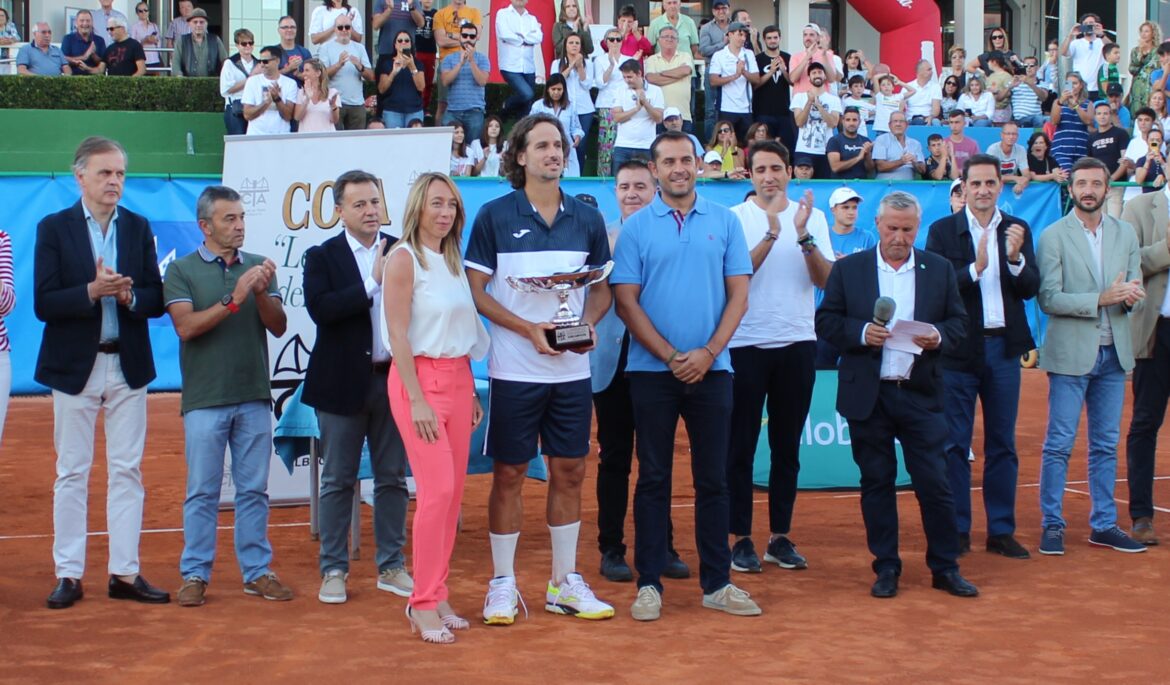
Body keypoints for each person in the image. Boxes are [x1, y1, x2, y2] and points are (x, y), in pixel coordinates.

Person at [464, 114, 614, 625]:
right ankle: (502, 583)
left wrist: (587, 325)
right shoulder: (493, 215)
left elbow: (601, 290)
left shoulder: (588, 218)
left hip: (572, 373)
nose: (555, 153)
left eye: (559, 145)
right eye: (543, 145)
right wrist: (528, 329)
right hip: (514, 371)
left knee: (570, 470)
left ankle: (563, 581)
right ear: (520, 156)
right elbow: (476, 291)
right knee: (508, 474)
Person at [610, 131, 759, 622]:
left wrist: (710, 352)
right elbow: (626, 301)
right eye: (668, 161)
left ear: (698, 164)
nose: (678, 168)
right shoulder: (635, 230)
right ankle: (649, 583)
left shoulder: (725, 221)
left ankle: (717, 583)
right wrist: (673, 356)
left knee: (713, 480)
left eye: (685, 159)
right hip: (651, 374)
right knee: (653, 478)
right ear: (654, 170)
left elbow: (739, 293)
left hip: (714, 372)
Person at [815, 190, 976, 599]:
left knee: (934, 483)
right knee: (876, 482)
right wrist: (859, 332)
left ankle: (945, 567)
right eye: (891, 229)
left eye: (907, 230)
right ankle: (886, 567)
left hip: (920, 392)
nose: (899, 237)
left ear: (917, 228)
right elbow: (826, 321)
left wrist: (938, 335)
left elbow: (959, 323)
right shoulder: (849, 270)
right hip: (868, 395)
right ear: (877, 226)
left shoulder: (938, 269)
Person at [35, 136, 168, 610]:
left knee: (126, 470)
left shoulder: (137, 226)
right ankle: (68, 574)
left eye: (120, 174)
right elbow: (44, 303)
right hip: (75, 366)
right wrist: (92, 290)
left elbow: (155, 295)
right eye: (105, 173)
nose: (114, 182)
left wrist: (129, 296)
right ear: (80, 176)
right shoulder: (54, 227)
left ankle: (124, 572)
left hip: (127, 363)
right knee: (72, 471)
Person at [164, 185, 291, 607]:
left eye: (241, 218)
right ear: (205, 226)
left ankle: (256, 572)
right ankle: (195, 574)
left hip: (253, 395)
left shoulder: (257, 267)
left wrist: (257, 292)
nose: (239, 226)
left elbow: (277, 326)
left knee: (254, 490)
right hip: (204, 398)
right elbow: (187, 327)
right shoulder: (180, 271)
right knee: (202, 491)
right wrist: (234, 299)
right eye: (229, 219)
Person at [382, 172, 487, 642]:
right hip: (418, 382)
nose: (445, 213)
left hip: (460, 379)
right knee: (437, 492)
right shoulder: (402, 258)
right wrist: (418, 397)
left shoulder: (452, 259)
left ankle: (436, 591)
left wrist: (471, 391)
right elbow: (397, 335)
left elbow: (462, 328)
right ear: (418, 207)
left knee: (452, 496)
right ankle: (421, 603)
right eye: (436, 204)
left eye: (452, 206)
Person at [300, 170, 412, 605]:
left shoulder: (404, 249)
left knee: (392, 477)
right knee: (337, 479)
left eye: (375, 202)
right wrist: (373, 282)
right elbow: (322, 310)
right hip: (341, 384)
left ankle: (392, 564)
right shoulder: (321, 256)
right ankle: (333, 568)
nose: (370, 211)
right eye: (360, 204)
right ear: (339, 211)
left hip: (394, 381)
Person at [726, 140, 834, 575]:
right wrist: (772, 233)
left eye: (776, 168)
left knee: (786, 447)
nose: (768, 176)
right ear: (749, 175)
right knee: (740, 448)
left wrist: (803, 234)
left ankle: (780, 537)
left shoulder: (815, 218)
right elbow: (735, 275)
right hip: (744, 345)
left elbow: (825, 279)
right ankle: (740, 539)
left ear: (789, 171)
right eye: (760, 169)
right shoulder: (733, 220)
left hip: (798, 342)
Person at [925, 154, 1039, 559]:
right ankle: (957, 529)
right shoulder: (943, 232)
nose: (984, 190)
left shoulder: (1017, 229)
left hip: (1004, 351)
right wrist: (976, 268)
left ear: (1000, 187)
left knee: (1002, 444)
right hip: (957, 353)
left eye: (991, 183)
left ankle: (1001, 530)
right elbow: (937, 290)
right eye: (976, 184)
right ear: (964, 186)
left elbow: (1031, 288)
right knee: (954, 445)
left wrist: (1013, 259)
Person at [1036, 156, 1147, 556]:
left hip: (1114, 354)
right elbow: (1048, 298)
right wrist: (1102, 299)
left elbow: (1133, 290)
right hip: (1070, 354)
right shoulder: (1052, 235)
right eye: (1081, 183)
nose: (1088, 190)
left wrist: (1133, 298)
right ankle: (1052, 523)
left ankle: (1104, 524)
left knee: (1105, 444)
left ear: (1106, 188)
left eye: (1096, 184)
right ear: (1071, 189)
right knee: (1059, 443)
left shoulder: (1125, 234)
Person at [592, 159, 690, 582]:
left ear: (655, 190)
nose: (631, 193)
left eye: (639, 186)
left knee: (656, 460)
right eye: (623, 187)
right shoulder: (601, 239)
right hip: (611, 364)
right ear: (614, 192)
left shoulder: (674, 235)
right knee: (614, 458)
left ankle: (661, 545)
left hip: (657, 363)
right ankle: (611, 548)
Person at [709, 21, 763, 141]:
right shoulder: (719, 55)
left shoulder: (749, 54)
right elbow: (713, 81)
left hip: (746, 109)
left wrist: (743, 72)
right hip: (726, 108)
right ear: (730, 35)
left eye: (745, 35)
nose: (743, 38)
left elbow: (756, 79)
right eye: (740, 34)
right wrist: (736, 75)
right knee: (726, 143)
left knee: (746, 144)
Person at [432, 0, 482, 126]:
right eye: (463, 35)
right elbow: (441, 41)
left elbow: (477, 36)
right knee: (443, 104)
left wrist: (451, 35)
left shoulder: (474, 12)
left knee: (470, 107)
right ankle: (440, 141)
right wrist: (464, 39)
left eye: (466, 35)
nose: (466, 37)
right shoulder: (440, 14)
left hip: (469, 62)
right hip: (447, 63)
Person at [551, 33, 596, 170]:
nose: (574, 46)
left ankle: (579, 174)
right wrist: (571, 66)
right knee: (561, 142)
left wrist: (580, 67)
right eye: (571, 43)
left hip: (584, 110)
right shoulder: (557, 63)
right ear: (565, 45)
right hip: (565, 108)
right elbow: (556, 81)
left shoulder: (588, 63)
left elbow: (588, 85)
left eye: (577, 43)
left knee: (580, 145)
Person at [610, 59, 664, 171]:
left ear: (639, 73)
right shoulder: (620, 90)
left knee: (647, 182)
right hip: (623, 145)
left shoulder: (656, 91)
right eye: (624, 77)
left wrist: (645, 103)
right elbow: (617, 118)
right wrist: (636, 109)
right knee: (620, 182)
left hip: (646, 146)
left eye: (629, 77)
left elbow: (658, 118)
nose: (626, 80)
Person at [319, 20, 374, 130]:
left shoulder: (360, 48)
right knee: (335, 142)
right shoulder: (326, 47)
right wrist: (338, 65)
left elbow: (371, 77)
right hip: (335, 103)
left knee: (357, 143)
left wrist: (360, 66)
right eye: (340, 27)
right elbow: (322, 75)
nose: (344, 30)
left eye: (347, 27)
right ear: (335, 29)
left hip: (357, 104)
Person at [790, 62, 841, 179]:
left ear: (824, 76)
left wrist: (818, 105)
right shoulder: (799, 97)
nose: (817, 75)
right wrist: (809, 102)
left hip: (826, 150)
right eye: (814, 73)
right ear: (809, 77)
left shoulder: (834, 99)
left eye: (820, 72)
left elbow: (833, 124)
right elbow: (799, 122)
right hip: (804, 150)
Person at [439, 21, 488, 140]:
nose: (468, 39)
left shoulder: (482, 59)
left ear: (476, 38)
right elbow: (445, 81)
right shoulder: (449, 59)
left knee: (474, 148)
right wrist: (460, 63)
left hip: (474, 111)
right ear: (460, 37)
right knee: (448, 147)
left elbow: (482, 81)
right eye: (465, 36)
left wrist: (471, 61)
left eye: (472, 36)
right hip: (453, 111)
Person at [529, 73, 585, 177]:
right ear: (547, 89)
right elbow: (529, 127)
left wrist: (577, 136)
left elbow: (576, 127)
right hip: (544, 146)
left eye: (559, 89)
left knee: (570, 178)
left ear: (564, 90)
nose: (556, 92)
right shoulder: (538, 106)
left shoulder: (570, 106)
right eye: (553, 89)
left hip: (567, 148)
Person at [496, 0, 543, 121]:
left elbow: (538, 37)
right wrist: (527, 38)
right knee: (527, 94)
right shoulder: (503, 14)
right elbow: (505, 34)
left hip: (529, 66)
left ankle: (520, 132)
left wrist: (518, 37)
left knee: (527, 106)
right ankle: (505, 107)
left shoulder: (531, 18)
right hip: (509, 65)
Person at [753, 25, 795, 153]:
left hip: (784, 111)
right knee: (765, 148)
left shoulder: (788, 57)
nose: (772, 40)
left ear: (780, 38)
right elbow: (755, 85)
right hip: (763, 111)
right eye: (769, 38)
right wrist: (771, 71)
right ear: (765, 40)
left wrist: (784, 70)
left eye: (775, 37)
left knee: (785, 148)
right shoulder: (758, 59)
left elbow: (792, 82)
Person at [644, 26, 694, 133]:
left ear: (678, 41)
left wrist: (661, 73)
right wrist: (677, 75)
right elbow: (651, 79)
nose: (669, 39)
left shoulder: (685, 56)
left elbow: (685, 71)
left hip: (682, 116)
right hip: (659, 115)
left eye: (673, 37)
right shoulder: (652, 59)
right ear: (659, 40)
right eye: (665, 36)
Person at [593, 28, 628, 176]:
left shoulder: (628, 59)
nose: (615, 42)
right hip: (607, 105)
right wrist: (611, 66)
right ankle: (603, 179)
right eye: (611, 39)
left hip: (625, 106)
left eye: (618, 39)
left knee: (623, 145)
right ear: (606, 42)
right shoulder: (600, 60)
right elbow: (600, 83)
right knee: (606, 146)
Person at [1087, 102, 1132, 217]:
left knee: (1115, 222)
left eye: (1105, 113)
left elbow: (1124, 161)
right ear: (1095, 116)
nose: (1102, 116)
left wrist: (1111, 179)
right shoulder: (1091, 137)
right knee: (1099, 223)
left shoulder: (1120, 134)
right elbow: (1089, 163)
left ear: (1110, 115)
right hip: (1099, 187)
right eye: (1099, 114)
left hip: (1116, 185)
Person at [242, 46, 298, 135]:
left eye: (265, 61)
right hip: (256, 135)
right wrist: (266, 102)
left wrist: (277, 99)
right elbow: (247, 115)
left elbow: (288, 116)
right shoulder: (252, 81)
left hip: (281, 136)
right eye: (260, 61)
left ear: (277, 61)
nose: (262, 64)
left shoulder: (290, 83)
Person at [376, 31, 425, 129]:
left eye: (407, 40)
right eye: (400, 40)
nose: (403, 43)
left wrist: (412, 67)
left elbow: (421, 87)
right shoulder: (387, 64)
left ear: (411, 44)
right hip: (392, 111)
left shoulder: (418, 64)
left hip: (414, 110)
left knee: (415, 142)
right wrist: (393, 73)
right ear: (395, 45)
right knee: (393, 143)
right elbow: (381, 89)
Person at [698, 0, 732, 139]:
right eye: (717, 9)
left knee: (730, 108)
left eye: (723, 8)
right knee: (711, 110)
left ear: (728, 9)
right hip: (712, 70)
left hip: (732, 71)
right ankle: (710, 143)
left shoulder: (735, 26)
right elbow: (704, 50)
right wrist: (723, 44)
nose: (721, 11)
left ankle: (730, 140)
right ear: (713, 11)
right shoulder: (706, 28)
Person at [1061, 13, 1110, 101]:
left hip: (1098, 89)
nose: (1088, 26)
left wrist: (1101, 34)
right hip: (1079, 89)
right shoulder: (1076, 43)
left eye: (1091, 23)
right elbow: (1063, 52)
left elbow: (1112, 49)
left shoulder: (1101, 41)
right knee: (1078, 111)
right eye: (1085, 24)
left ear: (1096, 25)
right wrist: (1071, 35)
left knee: (1097, 113)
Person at [219, 29, 259, 136]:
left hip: (254, 107)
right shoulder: (230, 63)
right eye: (244, 43)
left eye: (250, 43)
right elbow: (226, 89)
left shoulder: (258, 63)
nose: (247, 46)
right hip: (235, 108)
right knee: (237, 141)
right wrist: (250, 78)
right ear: (237, 45)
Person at [1051, 73, 1093, 171]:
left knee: (1079, 177)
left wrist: (1076, 106)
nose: (1072, 86)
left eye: (1075, 83)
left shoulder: (1088, 103)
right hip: (1062, 148)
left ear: (1081, 85)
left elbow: (1088, 120)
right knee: (1066, 175)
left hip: (1081, 148)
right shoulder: (1058, 102)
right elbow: (1054, 121)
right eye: (1069, 83)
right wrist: (1061, 102)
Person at [171, 8, 226, 77]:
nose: (198, 25)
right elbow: (175, 64)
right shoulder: (181, 40)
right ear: (189, 24)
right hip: (188, 84)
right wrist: (181, 80)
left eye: (201, 22)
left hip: (212, 84)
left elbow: (225, 62)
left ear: (206, 24)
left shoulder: (216, 40)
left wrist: (223, 77)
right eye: (195, 22)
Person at [789, 22, 838, 94]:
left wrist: (824, 56)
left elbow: (831, 79)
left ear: (818, 38)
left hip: (821, 99)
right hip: (802, 100)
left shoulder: (827, 55)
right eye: (805, 35)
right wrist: (807, 57)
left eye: (811, 35)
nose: (807, 38)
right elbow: (793, 79)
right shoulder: (795, 56)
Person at [873, 112, 924, 180]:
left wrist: (915, 163)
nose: (898, 124)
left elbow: (923, 170)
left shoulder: (915, 144)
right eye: (895, 121)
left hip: (908, 188)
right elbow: (880, 166)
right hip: (886, 187)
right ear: (889, 125)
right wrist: (902, 161)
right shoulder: (881, 140)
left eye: (901, 121)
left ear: (906, 125)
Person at [826, 107, 873, 180]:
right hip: (841, 185)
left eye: (854, 120)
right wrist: (858, 158)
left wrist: (868, 155)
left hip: (862, 185)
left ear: (859, 122)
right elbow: (835, 167)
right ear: (843, 121)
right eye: (848, 120)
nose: (851, 123)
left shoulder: (865, 141)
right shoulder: (834, 141)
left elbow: (870, 170)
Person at [295, 59, 341, 132]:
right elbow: (297, 117)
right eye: (303, 71)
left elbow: (334, 120)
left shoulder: (332, 92)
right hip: (306, 138)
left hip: (326, 137)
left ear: (318, 73)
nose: (303, 74)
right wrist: (307, 98)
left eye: (307, 70)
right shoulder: (301, 92)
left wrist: (333, 106)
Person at [985, 122, 1030, 193]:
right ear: (1002, 135)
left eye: (1014, 134)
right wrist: (1015, 178)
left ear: (1017, 136)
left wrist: (1021, 185)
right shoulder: (992, 150)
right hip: (993, 189)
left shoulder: (1021, 149)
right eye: (1008, 134)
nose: (1011, 137)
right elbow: (990, 176)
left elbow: (1026, 174)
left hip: (1011, 189)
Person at [1128, 21, 1161, 112]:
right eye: (1142, 31)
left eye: (1147, 31)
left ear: (1153, 33)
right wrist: (1140, 55)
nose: (1143, 34)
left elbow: (1155, 66)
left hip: (1150, 86)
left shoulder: (1158, 51)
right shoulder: (1135, 50)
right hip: (1137, 86)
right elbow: (1132, 69)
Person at [1009, 56, 1049, 128]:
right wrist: (1010, 86)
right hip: (1021, 118)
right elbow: (1000, 97)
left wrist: (1030, 84)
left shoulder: (1042, 83)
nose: (1028, 68)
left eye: (1031, 65)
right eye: (1026, 66)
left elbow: (1043, 98)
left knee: (1050, 119)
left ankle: (1040, 137)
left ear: (1037, 67)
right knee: (1039, 119)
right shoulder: (1016, 81)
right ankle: (1037, 137)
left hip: (1037, 117)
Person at [62, 10, 105, 75]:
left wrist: (93, 55)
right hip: (74, 80)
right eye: (81, 21)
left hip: (95, 80)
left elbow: (103, 64)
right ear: (76, 23)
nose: (85, 24)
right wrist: (84, 57)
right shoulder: (68, 39)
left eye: (88, 21)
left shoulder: (100, 40)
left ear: (92, 22)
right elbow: (63, 59)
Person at [277, 16, 313, 85]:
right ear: (278, 30)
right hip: (279, 93)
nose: (289, 30)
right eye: (285, 27)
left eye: (292, 27)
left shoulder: (305, 52)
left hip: (300, 93)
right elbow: (267, 76)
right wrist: (288, 68)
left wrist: (297, 74)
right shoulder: (272, 52)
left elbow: (312, 77)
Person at [904, 59, 942, 125]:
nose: (932, 72)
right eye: (929, 69)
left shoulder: (936, 87)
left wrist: (931, 117)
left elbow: (936, 109)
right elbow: (900, 107)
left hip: (929, 118)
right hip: (911, 119)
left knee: (936, 123)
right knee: (919, 122)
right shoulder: (908, 86)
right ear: (920, 72)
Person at [129, 3, 160, 72]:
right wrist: (144, 41)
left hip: (154, 58)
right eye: (140, 11)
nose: (144, 12)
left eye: (146, 10)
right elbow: (132, 45)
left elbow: (159, 42)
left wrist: (155, 40)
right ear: (137, 13)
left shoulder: (154, 26)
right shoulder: (134, 27)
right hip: (141, 60)